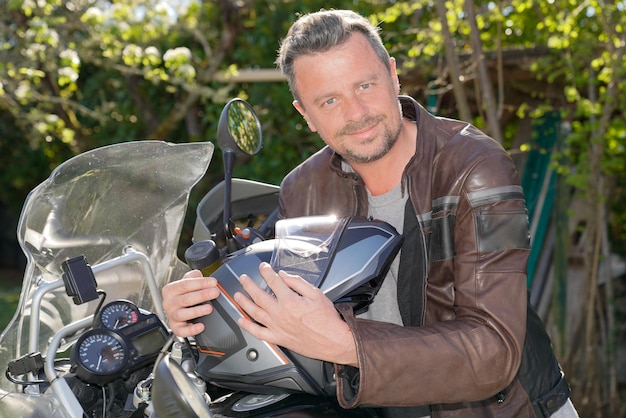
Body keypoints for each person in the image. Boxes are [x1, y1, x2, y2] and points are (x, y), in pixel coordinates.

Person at [162, 9, 578, 418]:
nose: (356, 112)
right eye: (329, 100)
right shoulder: (302, 190)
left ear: (393, 75)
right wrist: (200, 307)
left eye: (365, 84)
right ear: (304, 114)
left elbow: (493, 351)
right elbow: (267, 295)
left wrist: (345, 343)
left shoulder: (474, 168)